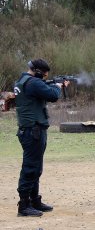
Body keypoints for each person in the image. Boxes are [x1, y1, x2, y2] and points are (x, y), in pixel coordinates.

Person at [14, 59, 70, 217]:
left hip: (30, 129)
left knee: (35, 167)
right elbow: (53, 95)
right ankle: (24, 205)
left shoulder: (22, 80)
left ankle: (34, 200)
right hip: (33, 130)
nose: (45, 77)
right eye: (45, 75)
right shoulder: (33, 83)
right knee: (31, 167)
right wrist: (58, 86)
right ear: (39, 72)